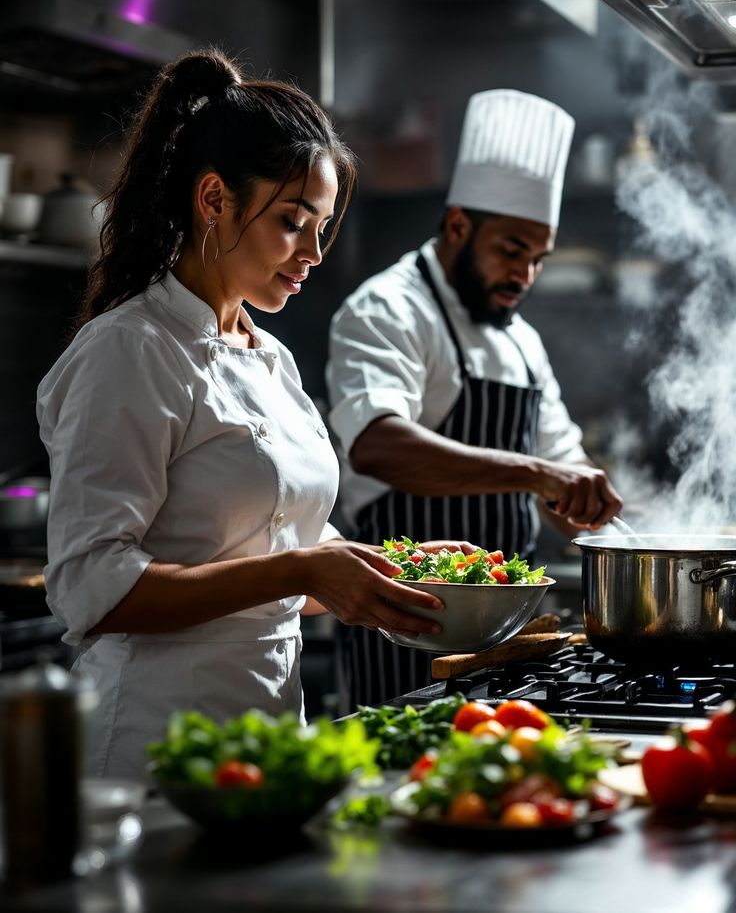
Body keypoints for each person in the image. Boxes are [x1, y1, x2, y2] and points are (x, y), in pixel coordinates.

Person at [36, 48, 471, 781]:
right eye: (294, 221)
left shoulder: (270, 358)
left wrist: (385, 569)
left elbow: (275, 541)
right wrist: (302, 569)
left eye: (322, 226)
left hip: (267, 742)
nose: (314, 252)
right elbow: (90, 588)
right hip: (154, 747)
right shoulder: (131, 349)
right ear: (214, 199)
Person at [326, 89, 623, 709]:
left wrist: (613, 525)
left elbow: (564, 479)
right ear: (459, 226)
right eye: (512, 250)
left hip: (506, 641)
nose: (524, 276)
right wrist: (539, 474)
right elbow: (378, 445)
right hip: (404, 630)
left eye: (538, 259)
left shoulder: (522, 342)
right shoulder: (388, 309)